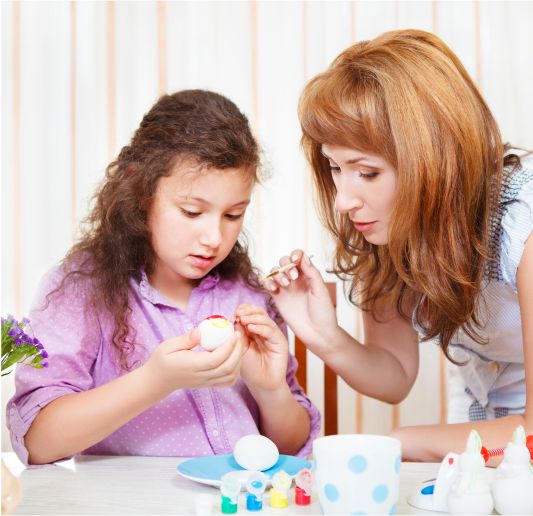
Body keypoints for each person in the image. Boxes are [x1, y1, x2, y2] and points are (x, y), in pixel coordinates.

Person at [7, 90, 319, 467]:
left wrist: (271, 391)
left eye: (233, 215)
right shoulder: (81, 288)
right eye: (191, 212)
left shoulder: (248, 293)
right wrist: (155, 381)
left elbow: (289, 448)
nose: (214, 238)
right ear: (141, 190)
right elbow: (37, 442)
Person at [264, 30, 532, 463]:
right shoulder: (386, 229)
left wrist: (401, 442)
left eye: (367, 173)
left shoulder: (524, 222)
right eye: (335, 166)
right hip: (483, 428)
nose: (343, 201)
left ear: (436, 162)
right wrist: (323, 336)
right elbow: (396, 374)